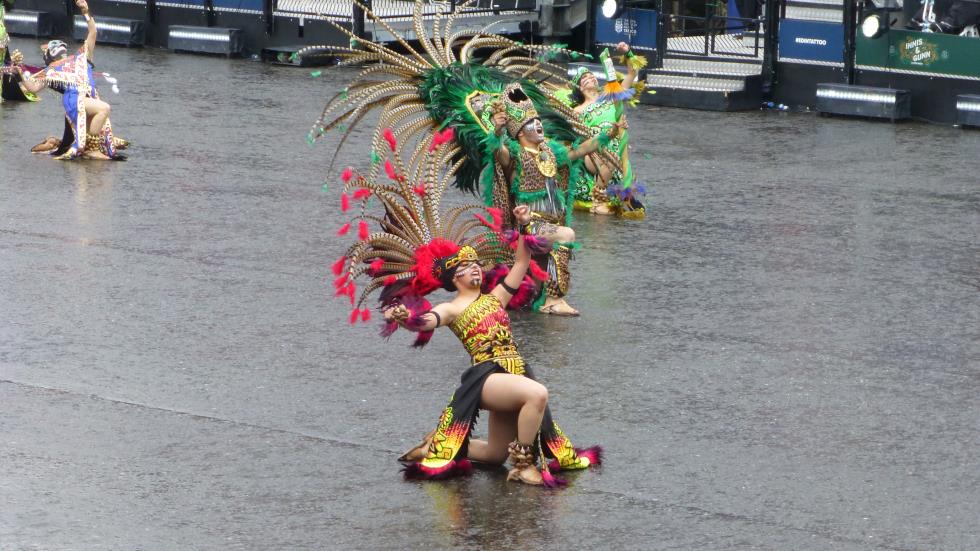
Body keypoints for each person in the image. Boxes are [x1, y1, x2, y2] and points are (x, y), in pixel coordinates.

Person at [333, 129, 600, 487]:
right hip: (487, 379)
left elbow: (522, 260)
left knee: (492, 455)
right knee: (537, 394)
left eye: (476, 265)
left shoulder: (496, 297)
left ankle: (435, 445)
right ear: (454, 278)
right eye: (465, 268)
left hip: (513, 372)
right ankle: (524, 467)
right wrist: (404, 317)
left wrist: (523, 224)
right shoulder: (454, 307)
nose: (475, 269)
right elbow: (427, 321)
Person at [485, 83, 622, 316]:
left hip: (549, 223)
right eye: (531, 123)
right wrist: (497, 131)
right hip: (527, 224)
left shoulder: (551, 155)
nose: (538, 124)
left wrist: (610, 133)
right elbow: (499, 153)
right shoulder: (516, 155)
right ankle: (554, 299)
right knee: (566, 234)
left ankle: (528, 298)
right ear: (519, 131)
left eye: (538, 121)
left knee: (531, 288)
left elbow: (581, 150)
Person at [15, 0, 124, 159]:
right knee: (105, 108)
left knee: (99, 132)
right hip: (75, 100)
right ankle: (90, 150)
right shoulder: (51, 70)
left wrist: (86, 12)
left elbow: (93, 33)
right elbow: (32, 88)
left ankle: (77, 146)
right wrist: (19, 71)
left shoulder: (81, 57)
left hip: (88, 99)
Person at [569, 42, 645, 217]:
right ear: (579, 87)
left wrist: (628, 53)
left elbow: (633, 73)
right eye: (584, 78)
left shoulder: (612, 96)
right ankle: (598, 198)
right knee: (607, 151)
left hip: (616, 149)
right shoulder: (577, 110)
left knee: (613, 151)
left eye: (591, 76)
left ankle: (612, 194)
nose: (590, 78)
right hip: (593, 151)